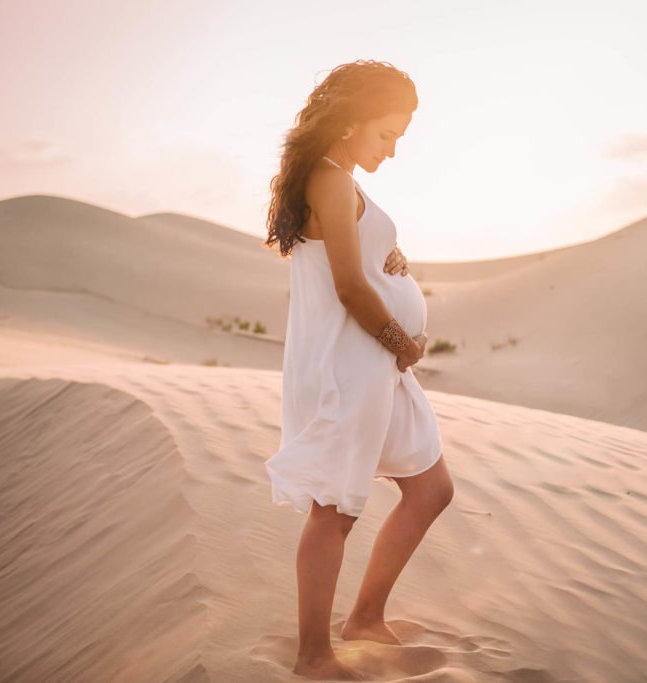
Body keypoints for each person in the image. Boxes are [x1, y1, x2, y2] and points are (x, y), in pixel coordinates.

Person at [261, 59, 455, 681]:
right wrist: (402, 340)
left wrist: (387, 255)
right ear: (348, 122)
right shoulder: (329, 180)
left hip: (378, 369)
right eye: (386, 134)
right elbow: (347, 285)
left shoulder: (341, 180)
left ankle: (365, 619)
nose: (394, 151)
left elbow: (358, 262)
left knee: (431, 489)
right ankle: (313, 655)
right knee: (335, 510)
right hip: (356, 367)